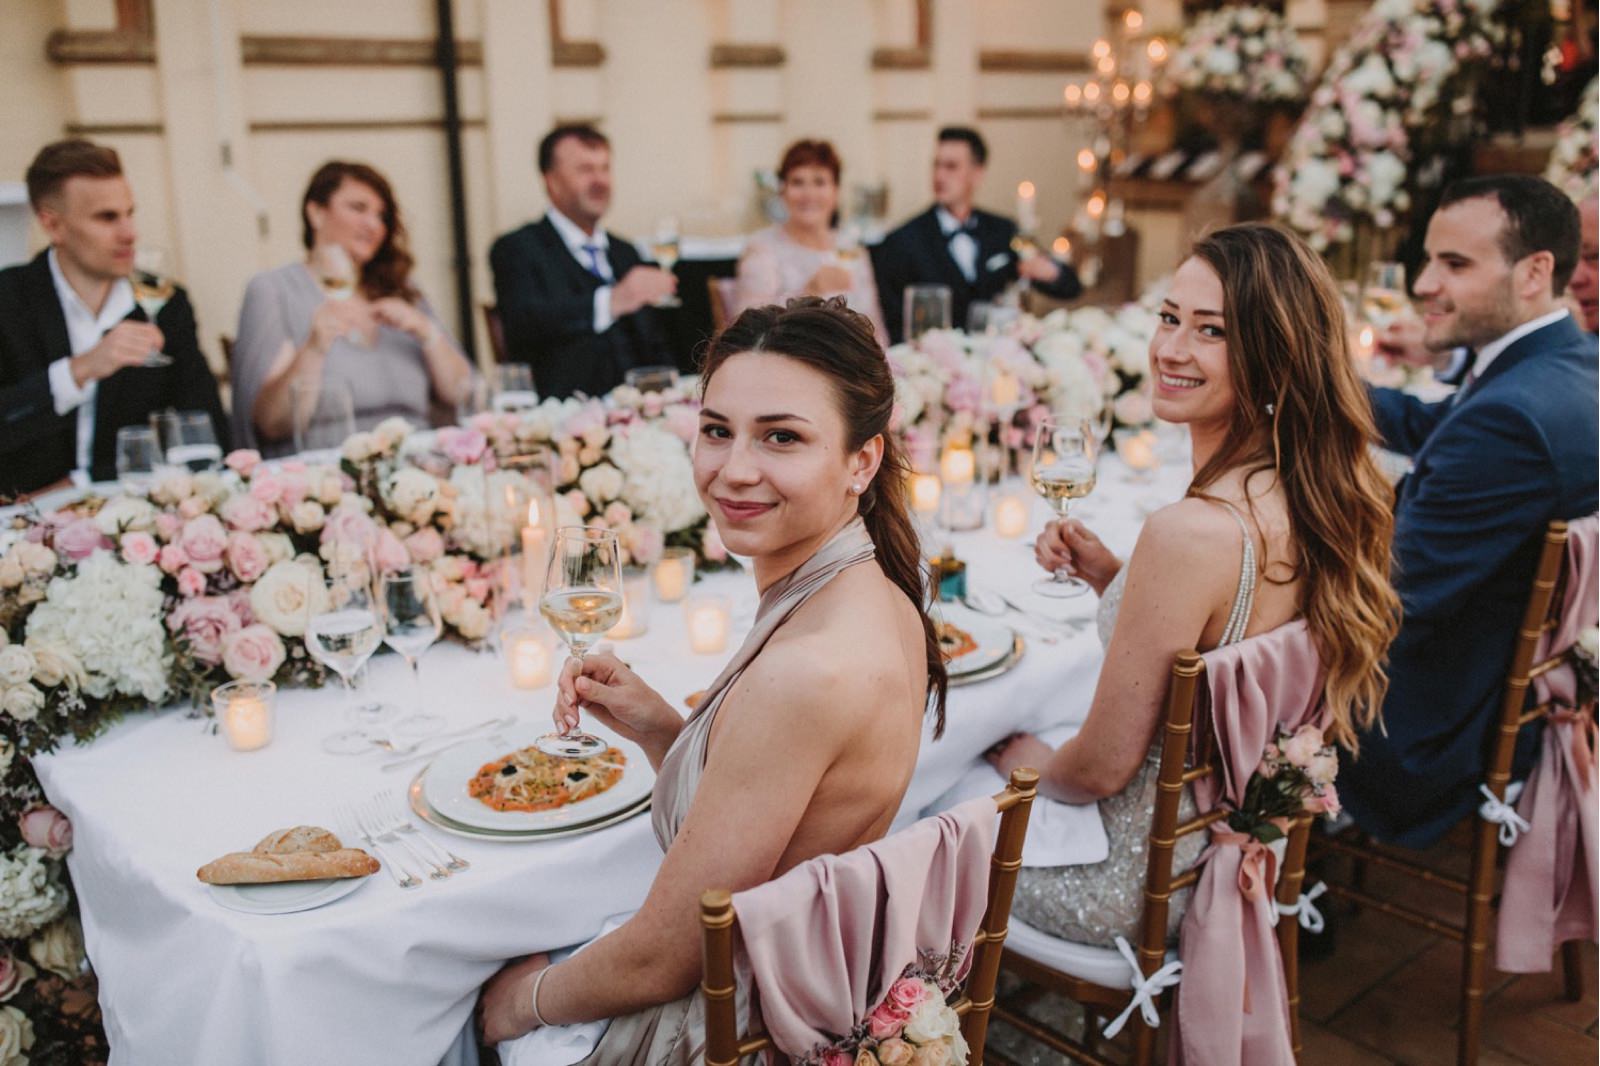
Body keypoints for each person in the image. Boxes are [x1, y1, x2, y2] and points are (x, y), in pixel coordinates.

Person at [477, 298, 947, 1062]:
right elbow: (792, 820)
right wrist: (663, 727)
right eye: (717, 430)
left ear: (861, 460)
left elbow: (665, 957)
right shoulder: (876, 591)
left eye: (782, 438)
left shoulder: (808, 668)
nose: (734, 470)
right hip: (807, 976)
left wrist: (521, 1002)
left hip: (742, 1026)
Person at [986, 223, 1399, 946]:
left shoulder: (1191, 533)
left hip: (1134, 879)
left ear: (1274, 357)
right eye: (1169, 318)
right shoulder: (1311, 494)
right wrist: (1120, 580)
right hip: (1217, 843)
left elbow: (1101, 771)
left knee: (922, 811)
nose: (1171, 349)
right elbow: (1223, 643)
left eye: (1211, 331)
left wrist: (1024, 764)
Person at [1340, 175, 1598, 847]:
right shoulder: (1567, 365)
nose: (1426, 283)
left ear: (1536, 271)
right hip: (1494, 686)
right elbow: (1441, 429)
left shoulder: (1510, 416)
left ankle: (1254, 889)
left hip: (1426, 727)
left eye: (1455, 264)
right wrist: (1326, 388)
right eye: (1431, 260)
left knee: (1205, 672)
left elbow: (1388, 599)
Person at [0, 139, 229, 496]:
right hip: (20, 518)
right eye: (107, 217)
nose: (129, 233)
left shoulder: (166, 304)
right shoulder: (8, 300)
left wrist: (82, 482)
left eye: (129, 213)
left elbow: (205, 429)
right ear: (53, 225)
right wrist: (80, 370)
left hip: (129, 512)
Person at [231, 161, 473, 457]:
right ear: (316, 213)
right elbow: (272, 422)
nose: (374, 225)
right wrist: (315, 347)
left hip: (417, 470)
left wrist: (427, 333)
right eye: (358, 208)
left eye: (381, 216)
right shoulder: (274, 290)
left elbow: (467, 396)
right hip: (327, 477)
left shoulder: (403, 291)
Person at [490, 125, 675, 400]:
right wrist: (611, 301)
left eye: (605, 168)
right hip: (564, 415)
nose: (600, 180)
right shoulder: (518, 249)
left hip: (644, 415)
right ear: (551, 180)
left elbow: (654, 346)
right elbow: (525, 325)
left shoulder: (626, 252)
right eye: (586, 170)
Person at [875, 127, 1082, 342]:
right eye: (936, 165)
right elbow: (894, 326)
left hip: (998, 361)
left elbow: (1070, 287)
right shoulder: (902, 241)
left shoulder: (1002, 231)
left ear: (977, 173)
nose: (939, 176)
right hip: (934, 366)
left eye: (951, 166)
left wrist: (1050, 272)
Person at [734, 140, 889, 346]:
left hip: (853, 366)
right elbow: (750, 332)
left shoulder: (851, 249)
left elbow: (876, 331)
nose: (809, 194)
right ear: (783, 192)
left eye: (819, 182)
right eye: (797, 182)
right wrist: (811, 290)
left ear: (835, 192)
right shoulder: (763, 249)